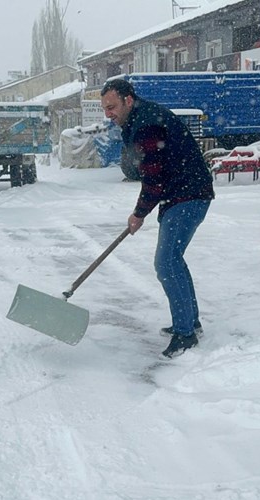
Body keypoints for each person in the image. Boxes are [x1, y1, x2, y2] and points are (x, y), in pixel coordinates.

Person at [100, 79, 214, 358]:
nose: (108, 114)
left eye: (112, 107)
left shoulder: (146, 124)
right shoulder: (140, 118)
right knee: (173, 259)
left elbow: (154, 176)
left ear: (128, 100)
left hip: (188, 195)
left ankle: (185, 334)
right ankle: (190, 322)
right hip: (183, 193)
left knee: (166, 262)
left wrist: (139, 213)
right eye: (105, 108)